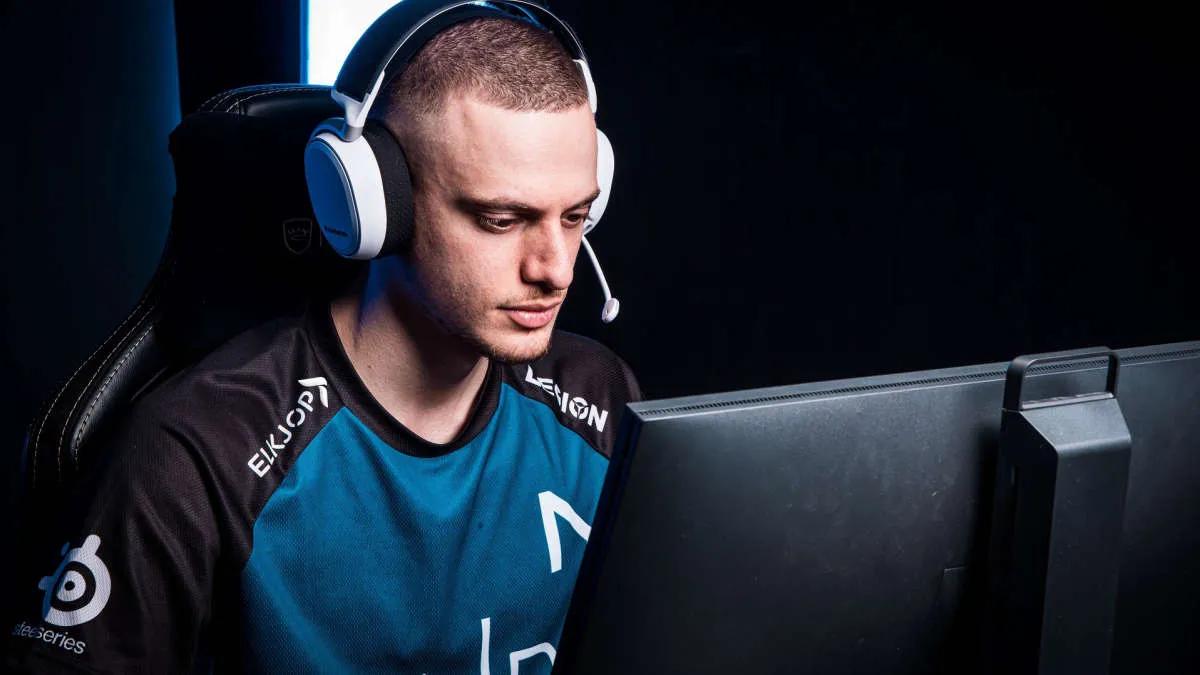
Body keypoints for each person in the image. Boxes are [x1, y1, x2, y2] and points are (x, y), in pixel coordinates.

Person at [5, 9, 640, 673]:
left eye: (575, 216)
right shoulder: (196, 454)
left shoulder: (598, 395)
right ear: (377, 203)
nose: (556, 269)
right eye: (502, 219)